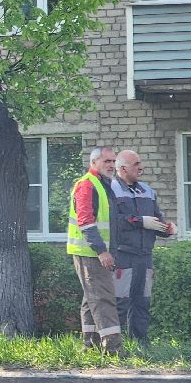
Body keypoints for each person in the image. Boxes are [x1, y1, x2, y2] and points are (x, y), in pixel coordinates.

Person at [108, 150, 175, 345]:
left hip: (145, 256)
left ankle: (141, 345)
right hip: (122, 254)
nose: (141, 167)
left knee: (142, 302)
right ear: (122, 169)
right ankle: (115, 347)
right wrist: (140, 221)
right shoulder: (111, 190)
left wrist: (167, 229)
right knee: (120, 302)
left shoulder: (147, 190)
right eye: (136, 164)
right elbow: (112, 222)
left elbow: (156, 219)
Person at [68, 146, 122, 355]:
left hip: (93, 253)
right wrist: (102, 251)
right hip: (91, 254)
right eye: (106, 161)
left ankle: (91, 346)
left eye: (113, 161)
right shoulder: (88, 185)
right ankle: (112, 349)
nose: (111, 165)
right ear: (94, 163)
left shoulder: (103, 185)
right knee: (103, 298)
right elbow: (86, 223)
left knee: (92, 301)